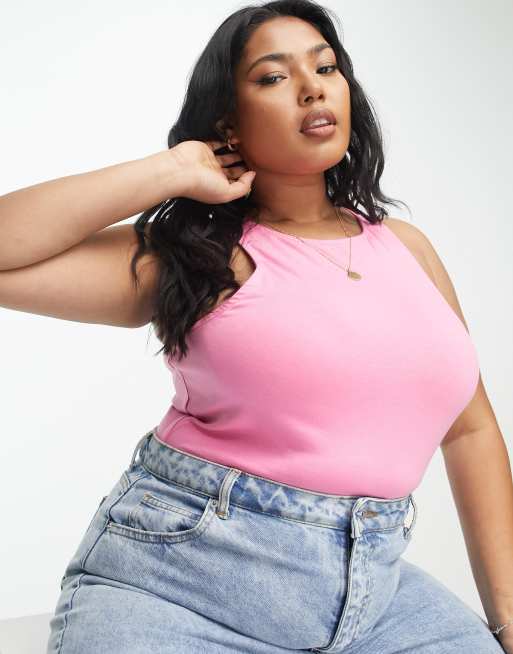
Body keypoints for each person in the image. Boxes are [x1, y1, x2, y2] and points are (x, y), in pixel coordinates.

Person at [1, 1, 510, 652]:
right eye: (273, 77)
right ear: (228, 124)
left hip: (375, 598)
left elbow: (470, 430)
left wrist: (507, 614)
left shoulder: (407, 248)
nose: (312, 88)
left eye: (325, 67)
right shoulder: (199, 256)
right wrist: (171, 170)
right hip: (180, 588)